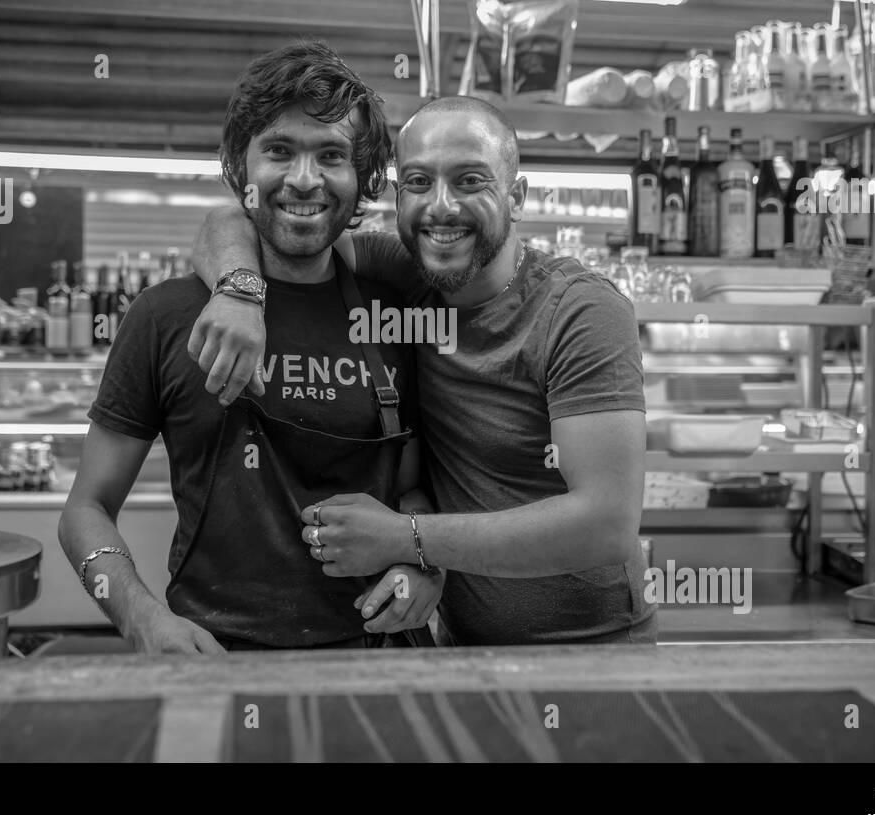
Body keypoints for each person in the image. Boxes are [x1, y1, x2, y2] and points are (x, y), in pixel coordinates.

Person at [190, 94, 655, 645]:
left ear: (517, 197)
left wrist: (405, 538)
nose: (441, 207)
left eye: (469, 181)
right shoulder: (417, 278)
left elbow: (605, 525)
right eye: (418, 182)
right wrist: (241, 291)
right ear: (397, 195)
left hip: (597, 656)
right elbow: (237, 221)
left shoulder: (580, 310)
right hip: (465, 650)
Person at [58, 41, 441, 653]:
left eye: (332, 155)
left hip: (378, 655)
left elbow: (414, 488)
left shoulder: (395, 316)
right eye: (279, 151)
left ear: (361, 178)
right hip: (211, 657)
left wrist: (425, 563)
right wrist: (141, 619)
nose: (304, 179)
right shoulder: (163, 316)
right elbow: (86, 508)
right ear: (241, 167)